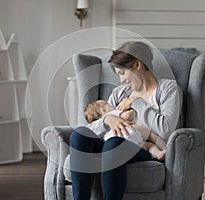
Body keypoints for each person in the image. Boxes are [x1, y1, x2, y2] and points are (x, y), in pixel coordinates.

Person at [70, 41, 182, 200]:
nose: (121, 80)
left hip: (141, 145)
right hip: (110, 142)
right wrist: (108, 120)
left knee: (113, 144)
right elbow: (95, 127)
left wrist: (135, 102)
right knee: (79, 134)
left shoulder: (168, 89)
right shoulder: (120, 92)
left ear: (137, 65)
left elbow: (165, 129)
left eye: (122, 73)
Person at [84, 99, 166, 161]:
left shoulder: (102, 129)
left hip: (112, 143)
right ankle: (161, 151)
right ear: (103, 110)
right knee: (149, 144)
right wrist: (131, 110)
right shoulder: (113, 114)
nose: (112, 105)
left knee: (147, 145)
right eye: (108, 104)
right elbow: (128, 115)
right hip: (127, 133)